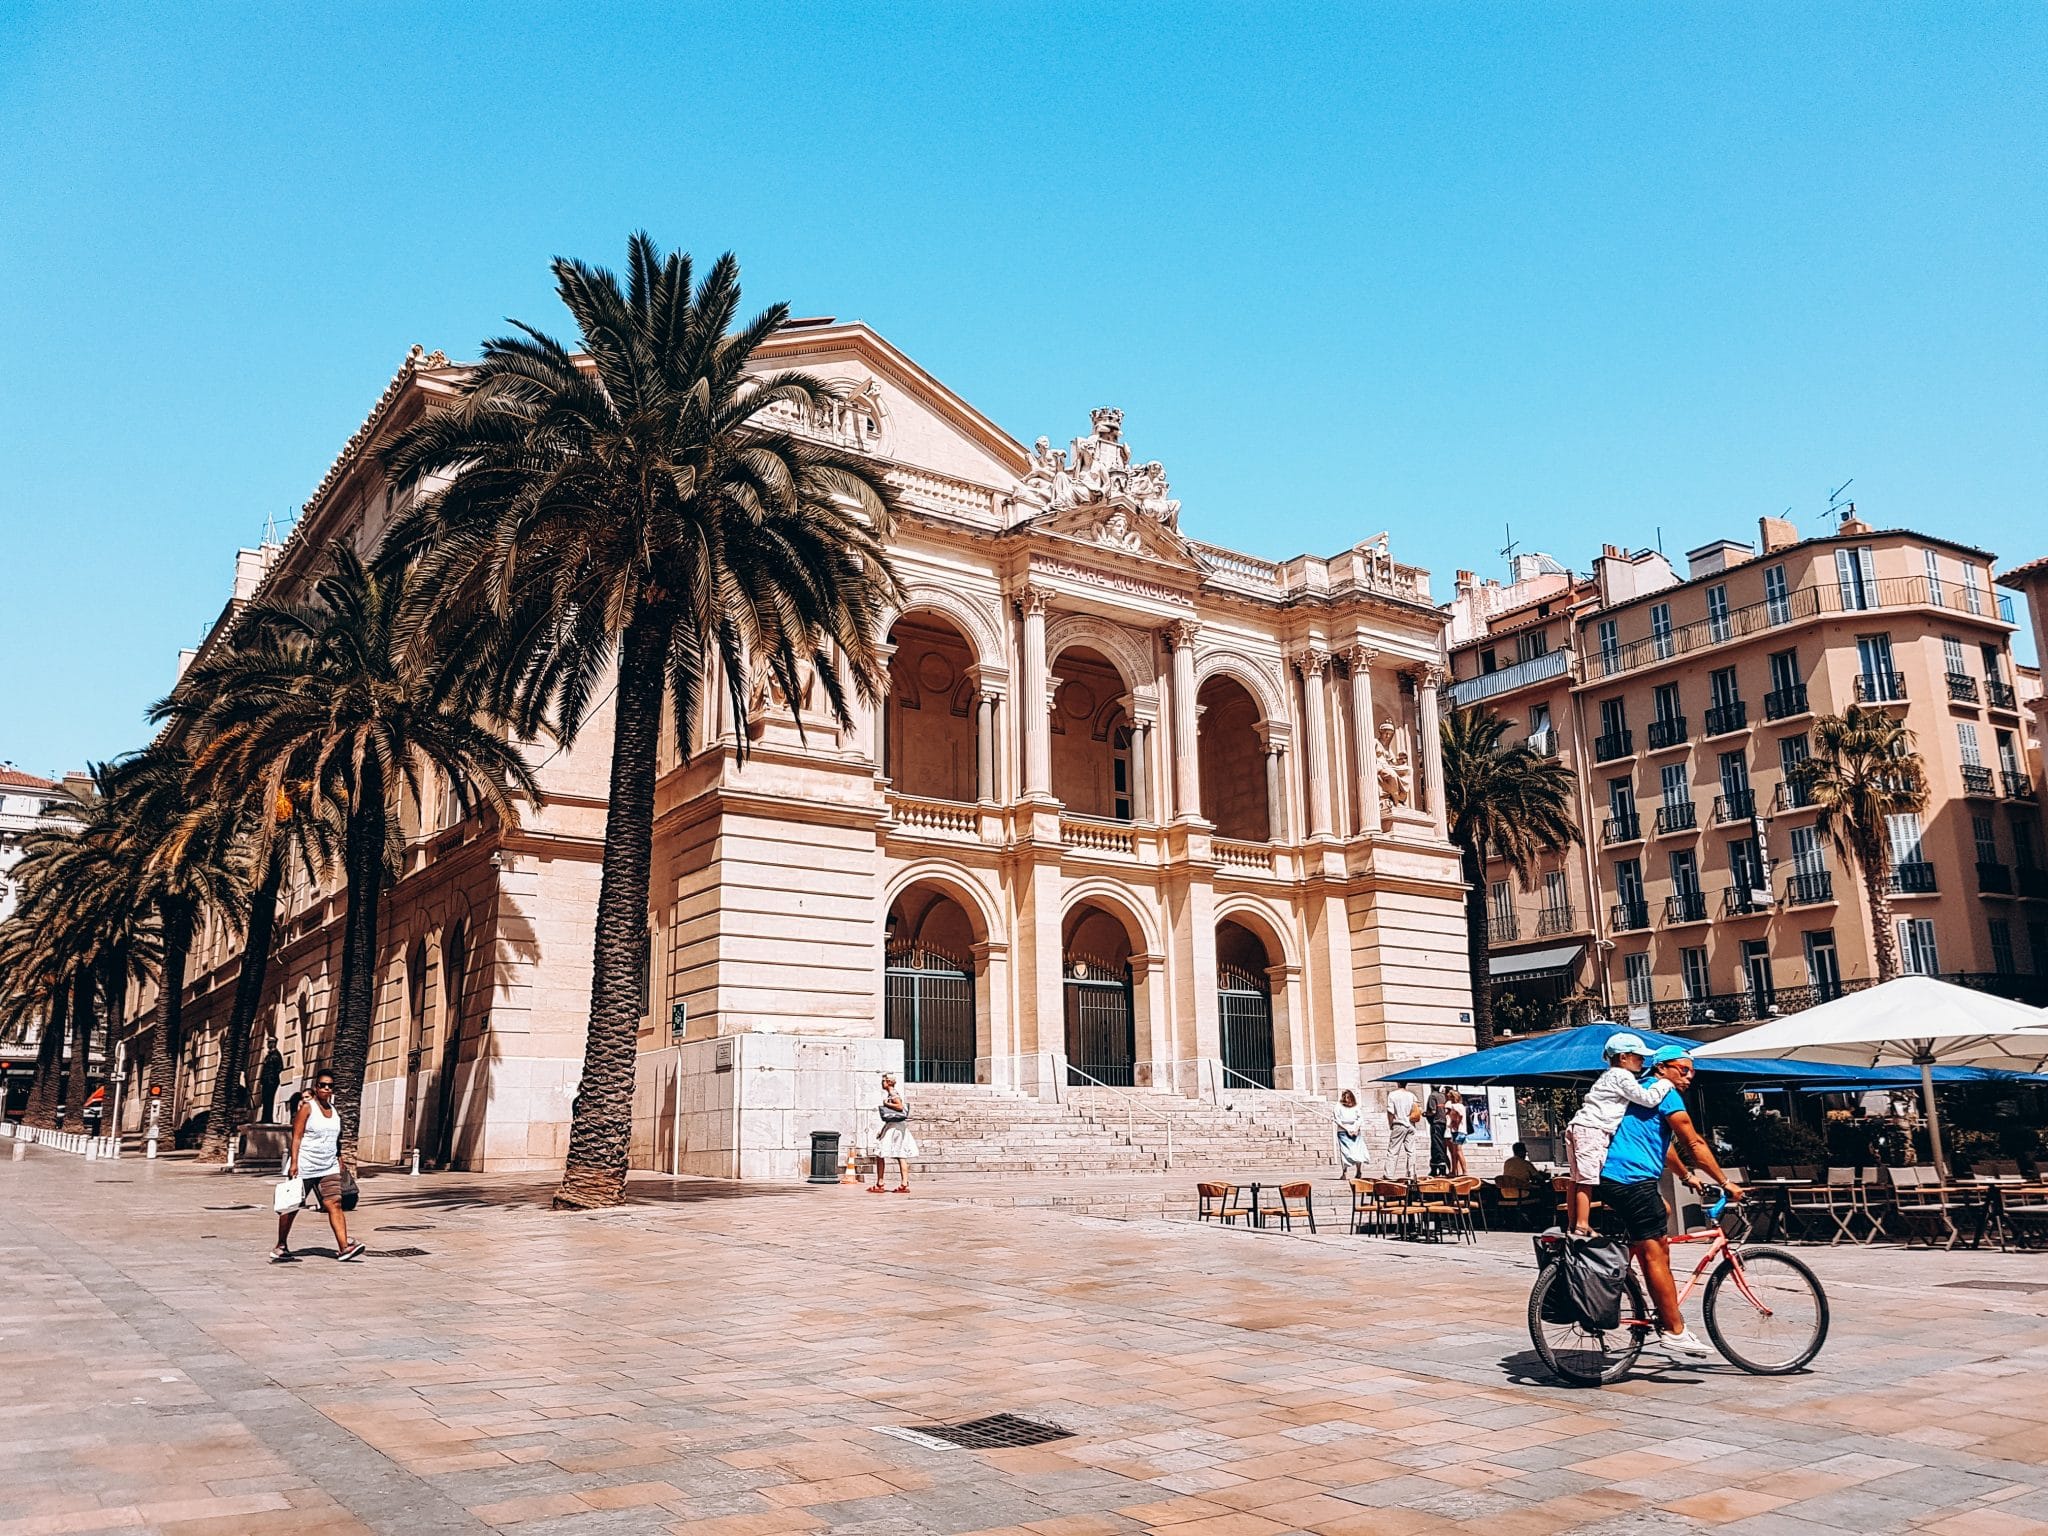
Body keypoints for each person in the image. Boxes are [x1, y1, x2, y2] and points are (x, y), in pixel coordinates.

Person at [1597, 1045, 1745, 1359]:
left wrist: (1685, 1176)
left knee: (1661, 1214)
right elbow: (1693, 1142)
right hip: (1631, 1180)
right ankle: (1674, 1331)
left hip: (1614, 1179)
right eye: (1683, 1069)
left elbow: (1663, 1146)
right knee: (1655, 1251)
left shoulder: (1640, 1093)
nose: (1689, 1077)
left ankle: (1633, 1280)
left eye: (1692, 1071)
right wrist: (1725, 1181)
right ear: (1662, 1068)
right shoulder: (1665, 1093)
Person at [1563, 1031, 1670, 1237]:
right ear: (1623, 1057)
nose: (1643, 1060)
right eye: (1638, 1056)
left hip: (1580, 1126)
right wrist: (1664, 1083)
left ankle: (1572, 1223)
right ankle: (1582, 1225)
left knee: (1576, 1179)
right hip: (1593, 1129)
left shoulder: (1608, 1077)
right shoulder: (1621, 1075)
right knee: (1587, 1179)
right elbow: (1647, 1099)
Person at [272, 1070, 363, 1263]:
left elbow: (335, 1139)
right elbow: (296, 1136)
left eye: (330, 1085)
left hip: (327, 1166)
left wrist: (339, 1159)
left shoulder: (334, 1110)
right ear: (316, 1087)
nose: (326, 1088)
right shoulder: (307, 1108)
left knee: (334, 1203)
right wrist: (294, 1163)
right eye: (322, 1085)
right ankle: (281, 1245)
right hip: (305, 1165)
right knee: (292, 1206)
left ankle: (344, 1247)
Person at [869, 1073, 918, 1194]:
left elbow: (900, 1106)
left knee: (880, 1153)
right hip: (898, 1126)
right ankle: (904, 1183)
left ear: (888, 1082)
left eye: (884, 1081)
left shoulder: (892, 1093)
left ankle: (880, 1183)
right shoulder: (893, 1092)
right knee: (901, 1154)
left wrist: (886, 1104)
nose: (882, 1083)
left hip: (893, 1127)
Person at [1384, 1082, 1423, 1179]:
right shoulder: (1412, 1095)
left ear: (1397, 1084)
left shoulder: (1392, 1095)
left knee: (1393, 1151)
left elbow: (1390, 1112)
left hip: (1399, 1123)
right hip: (1411, 1124)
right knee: (1411, 1150)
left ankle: (1389, 1175)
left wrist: (1390, 1124)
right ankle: (1411, 1173)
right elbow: (1418, 1110)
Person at [1333, 1089, 1371, 1179]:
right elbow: (1337, 1119)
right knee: (1345, 1152)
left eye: (1349, 1098)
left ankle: (1358, 1171)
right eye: (1346, 1098)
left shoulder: (1356, 1106)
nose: (1347, 1100)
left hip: (1355, 1130)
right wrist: (1347, 1129)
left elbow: (1360, 1118)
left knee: (1358, 1151)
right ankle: (1345, 1172)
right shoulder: (1338, 1106)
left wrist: (1356, 1128)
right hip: (1343, 1130)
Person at [1442, 1088, 1470, 1176]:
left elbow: (1460, 1115)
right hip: (1458, 1131)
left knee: (1458, 1151)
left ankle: (1465, 1171)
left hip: (1458, 1131)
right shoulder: (1461, 1106)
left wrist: (1456, 1123)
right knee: (1455, 1152)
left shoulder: (1455, 1106)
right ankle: (1455, 1171)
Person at [1424, 1086, 1450, 1175]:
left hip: (1436, 1123)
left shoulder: (1432, 1096)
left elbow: (1433, 1111)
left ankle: (1439, 1167)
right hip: (1443, 1123)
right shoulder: (1443, 1096)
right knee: (1440, 1144)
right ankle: (1436, 1167)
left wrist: (1425, 1114)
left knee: (1436, 1145)